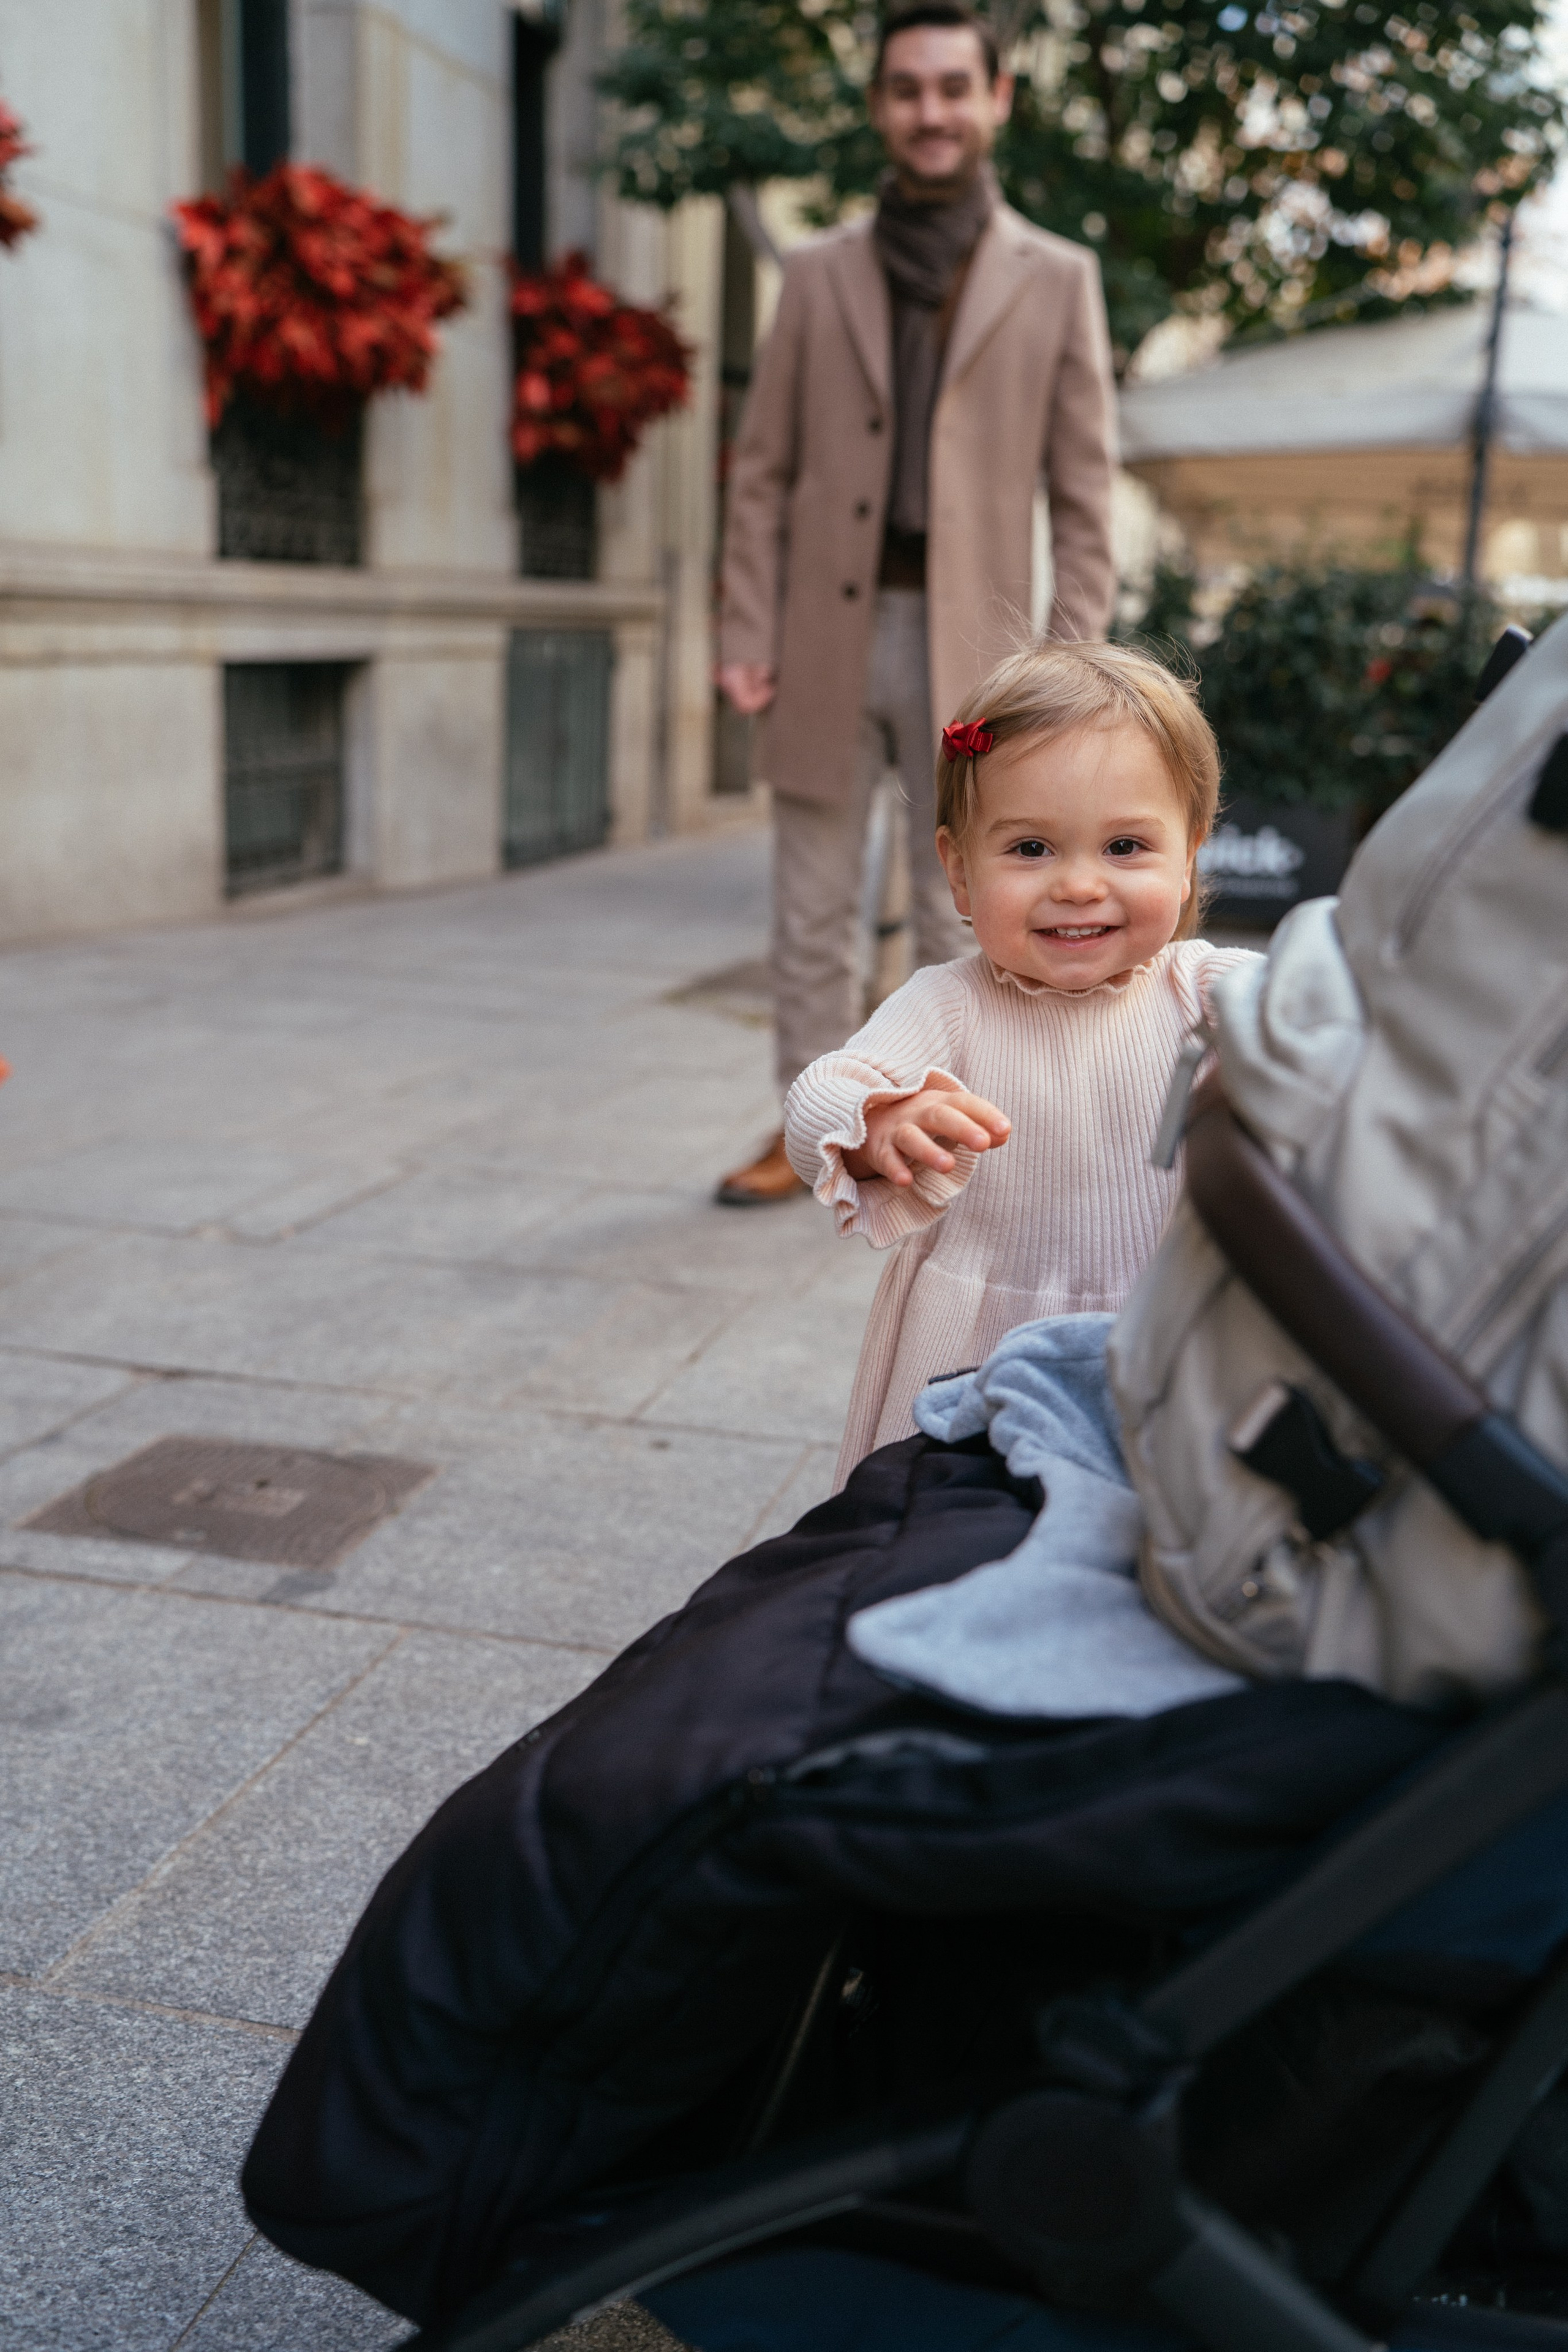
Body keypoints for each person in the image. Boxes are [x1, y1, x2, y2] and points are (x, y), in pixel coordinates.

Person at [714, 1, 1118, 1205]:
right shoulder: (817, 271)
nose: (929, 111)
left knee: (961, 915)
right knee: (809, 913)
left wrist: (1072, 664)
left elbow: (1083, 491)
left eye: (953, 87)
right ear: (879, 104)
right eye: (906, 89)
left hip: (981, 656)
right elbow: (760, 469)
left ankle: (952, 1129)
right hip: (821, 640)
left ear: (996, 99)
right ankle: (813, 1128)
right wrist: (743, 627)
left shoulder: (1059, 277)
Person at [784, 640, 1260, 1485]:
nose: (1078, 884)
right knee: (937, 1527)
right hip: (971, 1346)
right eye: (1031, 849)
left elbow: (1332, 1019)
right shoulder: (948, 1003)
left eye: (1124, 847)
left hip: (1166, 1329)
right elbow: (821, 1092)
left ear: (1188, 858)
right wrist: (880, 1123)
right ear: (959, 872)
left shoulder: (1207, 991)